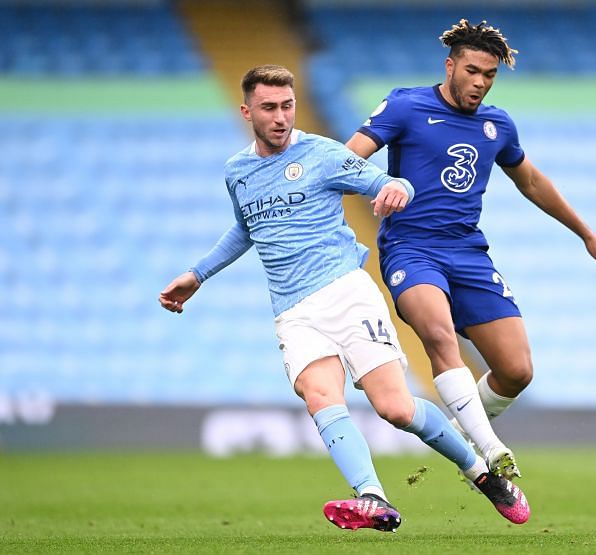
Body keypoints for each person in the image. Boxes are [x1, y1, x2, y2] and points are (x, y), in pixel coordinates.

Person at [158, 64, 530, 531]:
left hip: (346, 294)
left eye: (287, 106)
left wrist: (398, 188)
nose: (280, 117)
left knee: (395, 408)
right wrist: (198, 274)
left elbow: (389, 182)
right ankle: (373, 497)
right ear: (246, 111)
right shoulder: (237, 172)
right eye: (269, 107)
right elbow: (245, 227)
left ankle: (481, 473)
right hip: (292, 311)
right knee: (318, 395)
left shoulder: (323, 154)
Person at [346, 20, 596, 481]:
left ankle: (460, 431)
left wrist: (586, 234)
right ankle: (490, 452)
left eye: (489, 74)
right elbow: (348, 158)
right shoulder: (406, 104)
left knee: (516, 370)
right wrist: (384, 182)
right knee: (438, 335)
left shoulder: (498, 125)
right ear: (450, 65)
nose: (480, 83)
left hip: (469, 255)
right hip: (412, 250)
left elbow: (530, 181)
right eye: (472, 70)